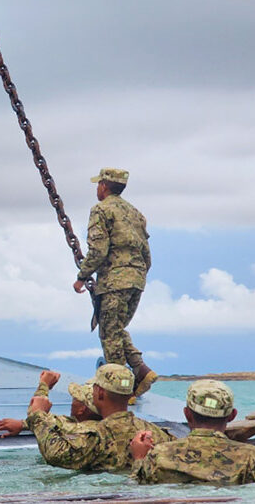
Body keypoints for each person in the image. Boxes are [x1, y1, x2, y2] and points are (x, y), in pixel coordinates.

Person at [74, 167, 157, 399]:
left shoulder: (100, 210)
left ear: (103, 186)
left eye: (98, 184)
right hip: (137, 279)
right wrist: (137, 276)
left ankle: (121, 392)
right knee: (116, 328)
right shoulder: (136, 214)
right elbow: (146, 254)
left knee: (109, 336)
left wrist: (82, 277)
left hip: (114, 281)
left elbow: (98, 249)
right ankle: (141, 370)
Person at [23, 363, 173, 473]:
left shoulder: (94, 436)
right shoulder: (156, 434)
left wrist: (38, 415)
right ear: (129, 395)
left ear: (99, 392)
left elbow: (55, 454)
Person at [131, 380, 255, 485]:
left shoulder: (159, 454)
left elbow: (136, 487)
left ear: (187, 414)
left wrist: (139, 458)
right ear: (232, 416)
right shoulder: (252, 458)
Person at [0, 372, 104, 466]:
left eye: (75, 399)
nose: (72, 402)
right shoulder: (105, 428)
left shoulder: (73, 428)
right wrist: (23, 425)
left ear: (82, 409)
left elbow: (37, 414)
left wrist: (44, 385)